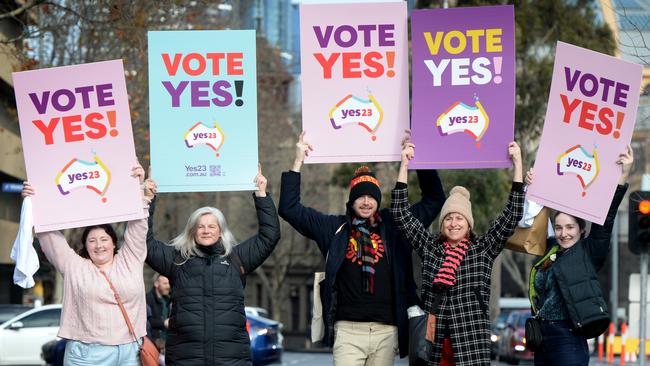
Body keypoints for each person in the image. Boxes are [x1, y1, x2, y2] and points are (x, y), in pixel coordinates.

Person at [278, 131, 446, 365]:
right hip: (347, 331)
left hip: (386, 331)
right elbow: (290, 209)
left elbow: (434, 199)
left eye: (371, 197)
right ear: (351, 200)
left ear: (378, 200)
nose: (366, 202)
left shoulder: (397, 225)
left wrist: (416, 159)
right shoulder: (334, 229)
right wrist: (297, 161)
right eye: (360, 197)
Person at [391, 141, 525, 366]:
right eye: (448, 218)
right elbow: (400, 213)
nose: (453, 223)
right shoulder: (430, 248)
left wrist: (518, 164)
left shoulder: (483, 249)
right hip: (434, 347)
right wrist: (404, 164)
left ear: (469, 224)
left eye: (459, 218)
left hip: (470, 345)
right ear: (442, 224)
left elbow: (512, 214)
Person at [144, 165, 281, 366]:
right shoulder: (177, 259)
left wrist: (261, 194)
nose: (206, 231)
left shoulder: (237, 258)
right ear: (192, 231)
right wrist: (148, 200)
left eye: (211, 226)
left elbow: (270, 236)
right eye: (200, 226)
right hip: (185, 358)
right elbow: (143, 243)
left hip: (231, 359)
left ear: (221, 231)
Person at [22, 165, 151, 366]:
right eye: (92, 241)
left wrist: (140, 191)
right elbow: (48, 235)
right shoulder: (74, 266)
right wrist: (34, 202)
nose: (98, 245)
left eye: (104, 239)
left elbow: (138, 227)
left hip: (130, 352)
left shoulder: (130, 260)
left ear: (114, 242)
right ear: (85, 246)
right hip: (87, 354)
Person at [526, 146, 633, 366]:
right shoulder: (551, 250)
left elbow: (607, 219)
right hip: (542, 339)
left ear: (581, 229)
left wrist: (623, 176)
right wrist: (529, 185)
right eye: (558, 228)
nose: (564, 233)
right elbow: (531, 217)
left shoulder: (589, 251)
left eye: (570, 227)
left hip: (569, 340)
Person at [146, 273, 170, 346]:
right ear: (156, 284)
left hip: (167, 343)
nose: (168, 286)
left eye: (169, 283)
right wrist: (164, 323)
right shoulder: (147, 299)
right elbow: (146, 321)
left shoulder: (167, 299)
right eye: (165, 283)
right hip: (154, 343)